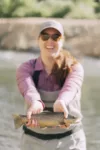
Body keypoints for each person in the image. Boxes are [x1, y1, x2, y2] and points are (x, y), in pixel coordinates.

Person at [16, 20, 86, 150]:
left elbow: (71, 88)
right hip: (32, 142)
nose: (50, 41)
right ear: (38, 40)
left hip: (70, 142)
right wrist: (35, 102)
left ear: (62, 40)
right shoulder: (25, 68)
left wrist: (61, 102)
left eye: (56, 36)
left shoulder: (75, 68)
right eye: (45, 36)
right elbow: (28, 89)